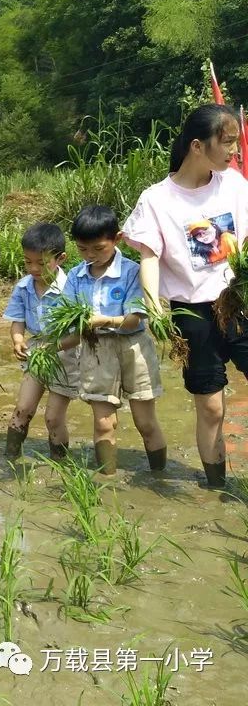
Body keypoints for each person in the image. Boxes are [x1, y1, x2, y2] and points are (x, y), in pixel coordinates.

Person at [124, 103, 248, 489]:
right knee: (210, 406)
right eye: (226, 143)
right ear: (197, 146)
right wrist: (152, 305)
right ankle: (217, 488)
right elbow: (149, 256)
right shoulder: (157, 199)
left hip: (240, 302)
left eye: (235, 142)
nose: (234, 151)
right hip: (192, 313)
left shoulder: (235, 184)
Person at [61, 205, 165, 476]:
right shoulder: (75, 276)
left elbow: (133, 320)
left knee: (146, 423)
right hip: (96, 350)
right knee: (104, 423)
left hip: (133, 347)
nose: (91, 256)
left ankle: (159, 478)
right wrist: (51, 346)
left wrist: (103, 320)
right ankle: (108, 484)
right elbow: (72, 322)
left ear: (117, 239)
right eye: (83, 250)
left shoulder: (133, 272)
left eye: (98, 248)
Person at [3, 223, 79, 461]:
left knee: (53, 418)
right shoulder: (23, 287)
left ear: (61, 258)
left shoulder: (72, 288)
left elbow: (79, 333)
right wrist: (17, 340)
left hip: (65, 354)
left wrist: (55, 346)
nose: (33, 268)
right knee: (23, 409)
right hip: (36, 351)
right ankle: (9, 459)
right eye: (27, 262)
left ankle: (60, 463)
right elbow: (17, 320)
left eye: (42, 263)